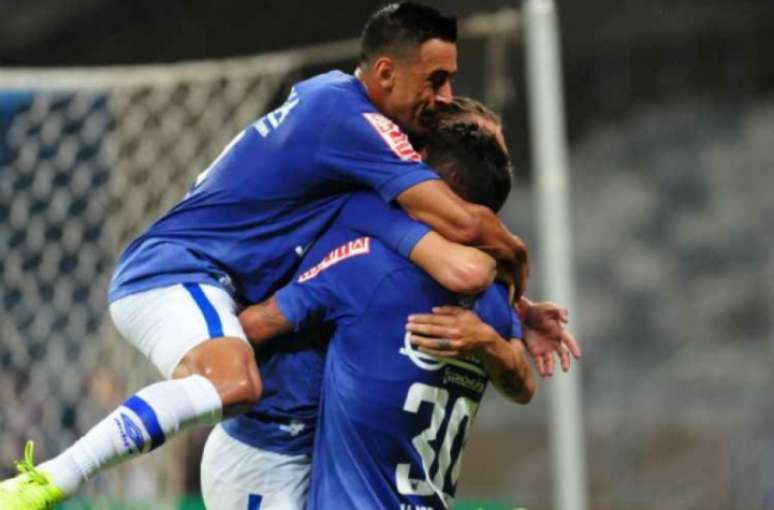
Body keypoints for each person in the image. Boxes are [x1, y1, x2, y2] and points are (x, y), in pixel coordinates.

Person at [0, 4, 544, 509]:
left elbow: (464, 267)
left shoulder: (348, 152)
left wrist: (513, 313)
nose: (446, 96)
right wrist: (515, 265)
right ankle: (50, 479)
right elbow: (467, 249)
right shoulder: (352, 129)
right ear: (384, 72)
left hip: (274, 411)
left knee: (234, 380)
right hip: (183, 279)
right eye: (437, 80)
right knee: (236, 383)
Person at [200, 112, 578, 508]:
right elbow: (523, 387)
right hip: (273, 456)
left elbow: (254, 325)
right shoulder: (492, 295)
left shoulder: (373, 264)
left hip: (296, 462)